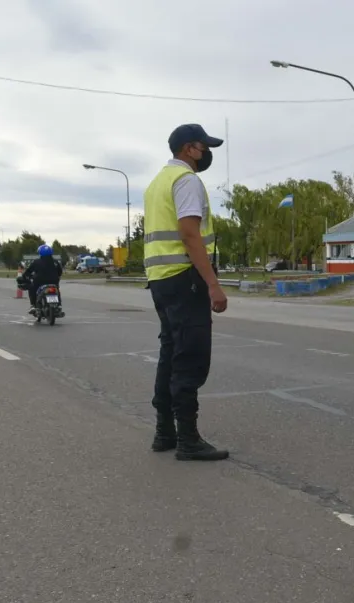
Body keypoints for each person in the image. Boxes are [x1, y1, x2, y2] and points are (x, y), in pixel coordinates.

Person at [142, 123, 229, 462]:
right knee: (190, 357)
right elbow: (190, 234)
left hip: (160, 279)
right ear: (188, 149)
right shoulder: (186, 180)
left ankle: (164, 432)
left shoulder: (157, 183)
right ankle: (188, 440)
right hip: (184, 278)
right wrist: (213, 284)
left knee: (170, 353)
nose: (206, 153)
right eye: (203, 147)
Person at [22, 244, 63, 314]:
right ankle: (59, 305)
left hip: (40, 282)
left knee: (32, 288)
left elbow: (28, 272)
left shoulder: (36, 262)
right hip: (53, 281)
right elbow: (60, 272)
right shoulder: (56, 262)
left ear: (40, 253)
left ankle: (33, 305)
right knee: (56, 289)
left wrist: (26, 277)